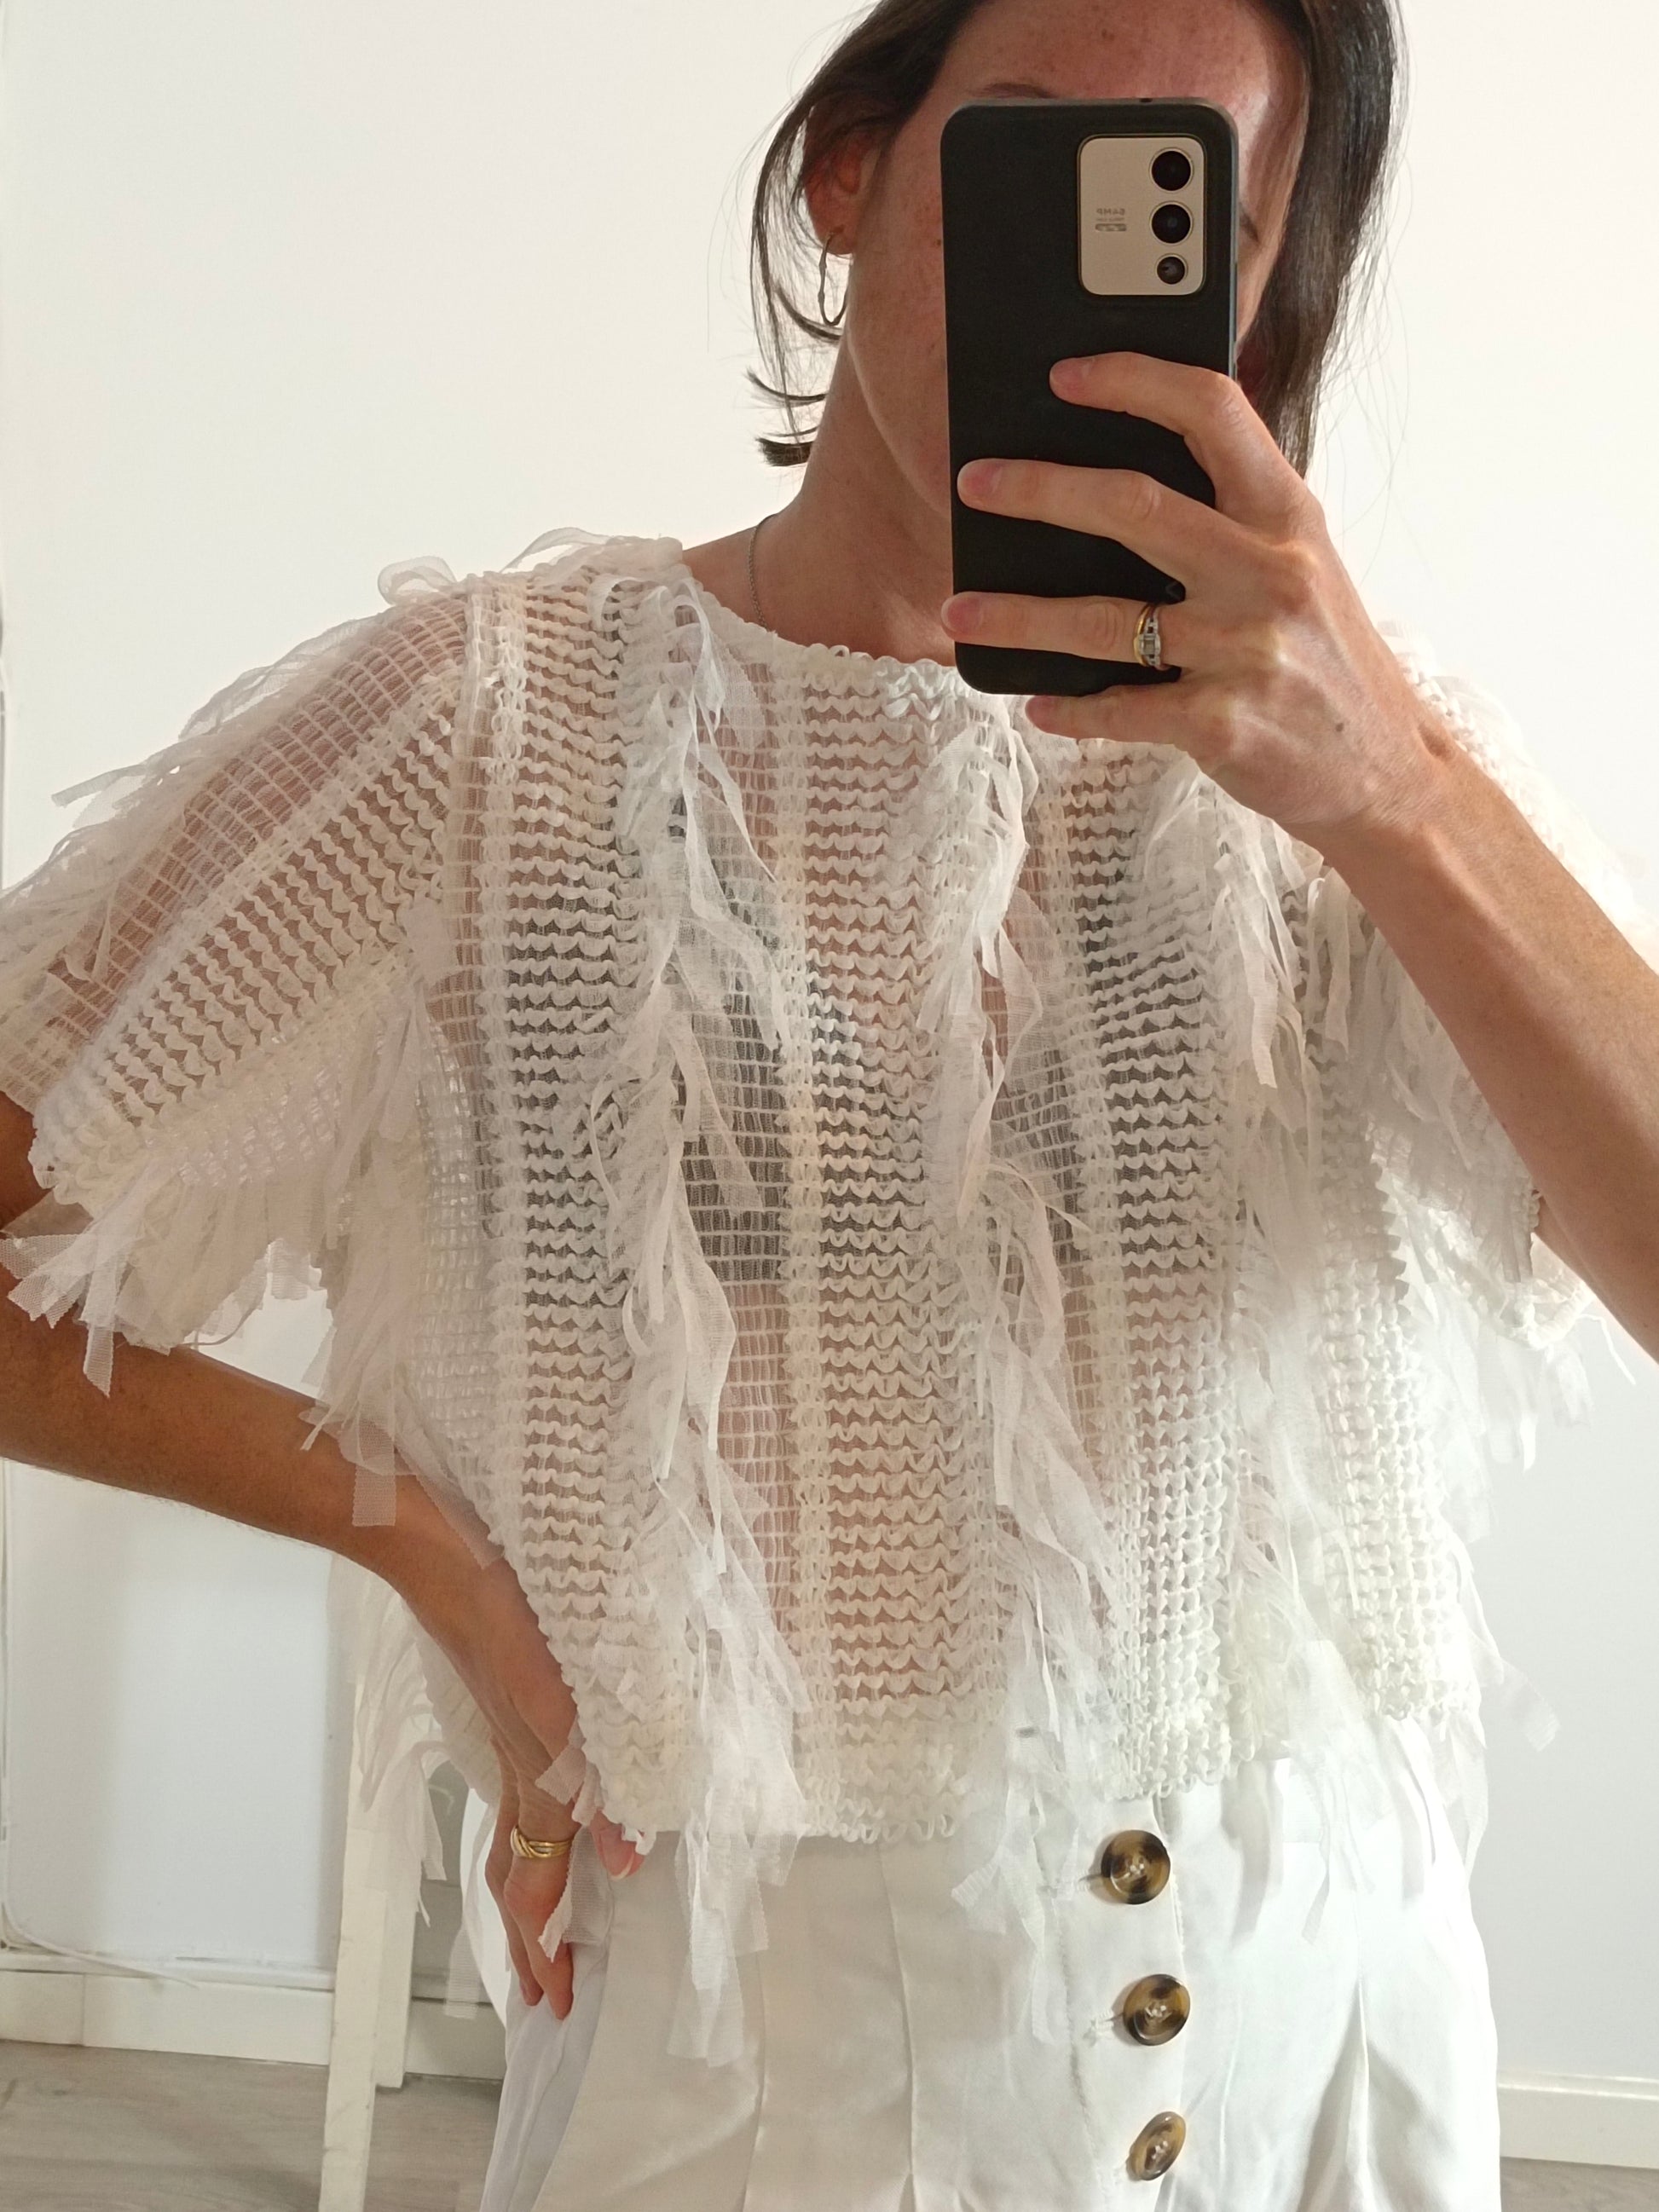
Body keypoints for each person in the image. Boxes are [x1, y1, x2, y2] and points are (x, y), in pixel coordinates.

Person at [2, 0, 1657, 2206]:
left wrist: (1398, 799)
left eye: (1185, 208)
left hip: (1327, 2017)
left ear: (1258, 289)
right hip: (766, 2064)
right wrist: (419, 1540)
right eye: (1027, 154)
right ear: (850, 173)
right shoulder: (490, 731)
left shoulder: (1365, 775)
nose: (1084, 267)